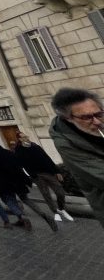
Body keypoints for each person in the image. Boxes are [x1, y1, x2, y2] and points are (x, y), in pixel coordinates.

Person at [49, 87, 104, 229]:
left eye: (99, 114)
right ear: (68, 118)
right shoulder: (65, 143)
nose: (97, 122)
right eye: (87, 117)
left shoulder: (99, 123)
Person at [0, 134, 57, 232]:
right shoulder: (8, 152)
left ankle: (22, 218)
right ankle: (44, 215)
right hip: (18, 181)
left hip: (8, 184)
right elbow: (19, 166)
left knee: (10, 201)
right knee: (27, 200)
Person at [14, 131, 72, 223]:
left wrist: (57, 171)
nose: (27, 138)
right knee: (46, 194)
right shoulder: (18, 150)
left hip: (48, 173)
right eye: (24, 137)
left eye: (26, 136)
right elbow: (21, 165)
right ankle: (55, 212)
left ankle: (61, 208)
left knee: (60, 191)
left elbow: (47, 158)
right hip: (37, 176)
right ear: (20, 139)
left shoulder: (35, 146)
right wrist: (30, 175)